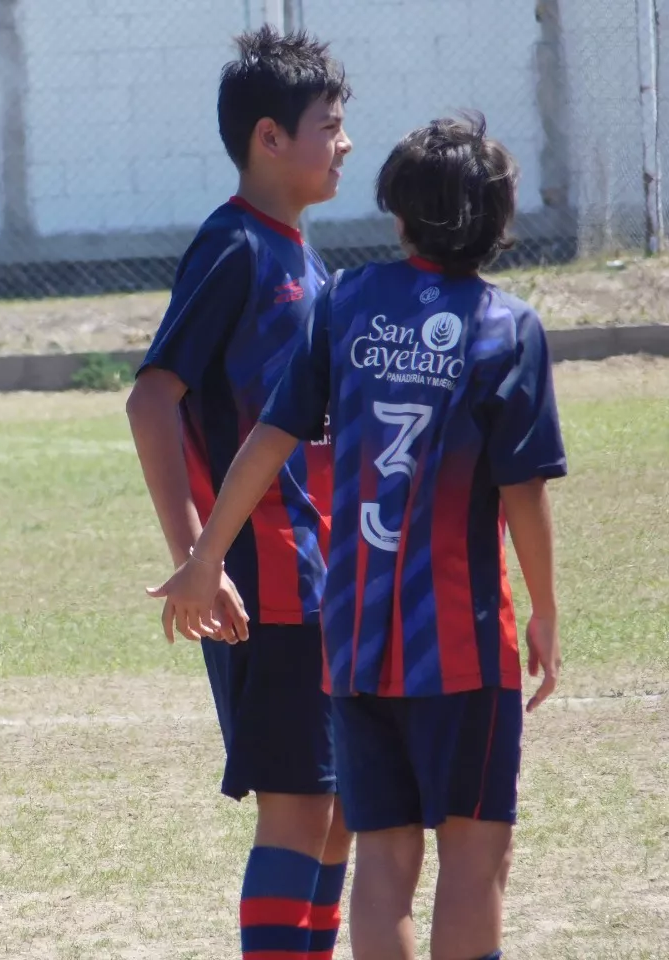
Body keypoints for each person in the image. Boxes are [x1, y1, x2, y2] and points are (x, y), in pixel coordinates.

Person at [149, 112, 567, 960]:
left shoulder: (344, 304)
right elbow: (522, 491)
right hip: (463, 643)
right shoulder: (507, 327)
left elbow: (269, 440)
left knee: (383, 853)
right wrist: (548, 611)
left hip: (355, 643)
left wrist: (202, 554)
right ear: (499, 223)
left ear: (400, 214)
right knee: (476, 855)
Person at [125, 25, 354, 959]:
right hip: (264, 576)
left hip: (326, 572)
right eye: (330, 125)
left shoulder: (306, 259)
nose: (344, 142)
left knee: (339, 807)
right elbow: (152, 399)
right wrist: (195, 558)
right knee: (299, 807)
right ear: (270, 137)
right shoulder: (234, 248)